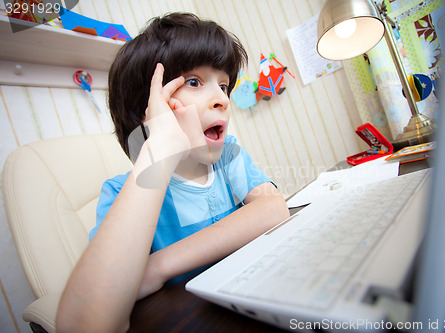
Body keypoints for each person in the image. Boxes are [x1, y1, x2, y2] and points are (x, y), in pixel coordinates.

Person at [56, 12, 289, 332]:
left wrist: (157, 267)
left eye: (223, 85)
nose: (222, 98)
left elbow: (273, 209)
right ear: (148, 111)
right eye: (194, 82)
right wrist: (160, 146)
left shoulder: (228, 157)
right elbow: (86, 323)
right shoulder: (120, 192)